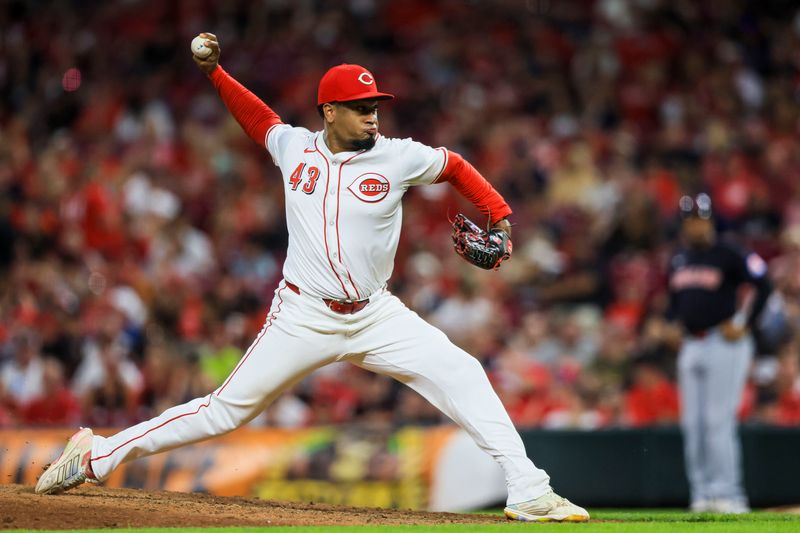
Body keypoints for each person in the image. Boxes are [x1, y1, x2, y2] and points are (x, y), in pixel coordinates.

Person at [35, 33, 589, 523]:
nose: (373, 115)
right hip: (303, 313)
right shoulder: (295, 147)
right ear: (329, 111)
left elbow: (456, 166)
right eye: (359, 106)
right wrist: (215, 74)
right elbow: (257, 118)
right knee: (225, 409)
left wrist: (502, 216)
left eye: (375, 105)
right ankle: (95, 454)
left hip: (376, 313)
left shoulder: (398, 157)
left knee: (463, 372)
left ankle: (529, 490)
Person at [666, 193, 772, 513]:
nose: (694, 226)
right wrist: (669, 324)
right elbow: (676, 303)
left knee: (717, 422)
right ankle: (702, 494)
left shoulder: (729, 252)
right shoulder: (679, 258)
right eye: (689, 220)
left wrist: (745, 322)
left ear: (710, 220)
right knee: (692, 424)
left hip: (723, 343)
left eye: (699, 219)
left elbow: (763, 284)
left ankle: (729, 494)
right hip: (691, 344)